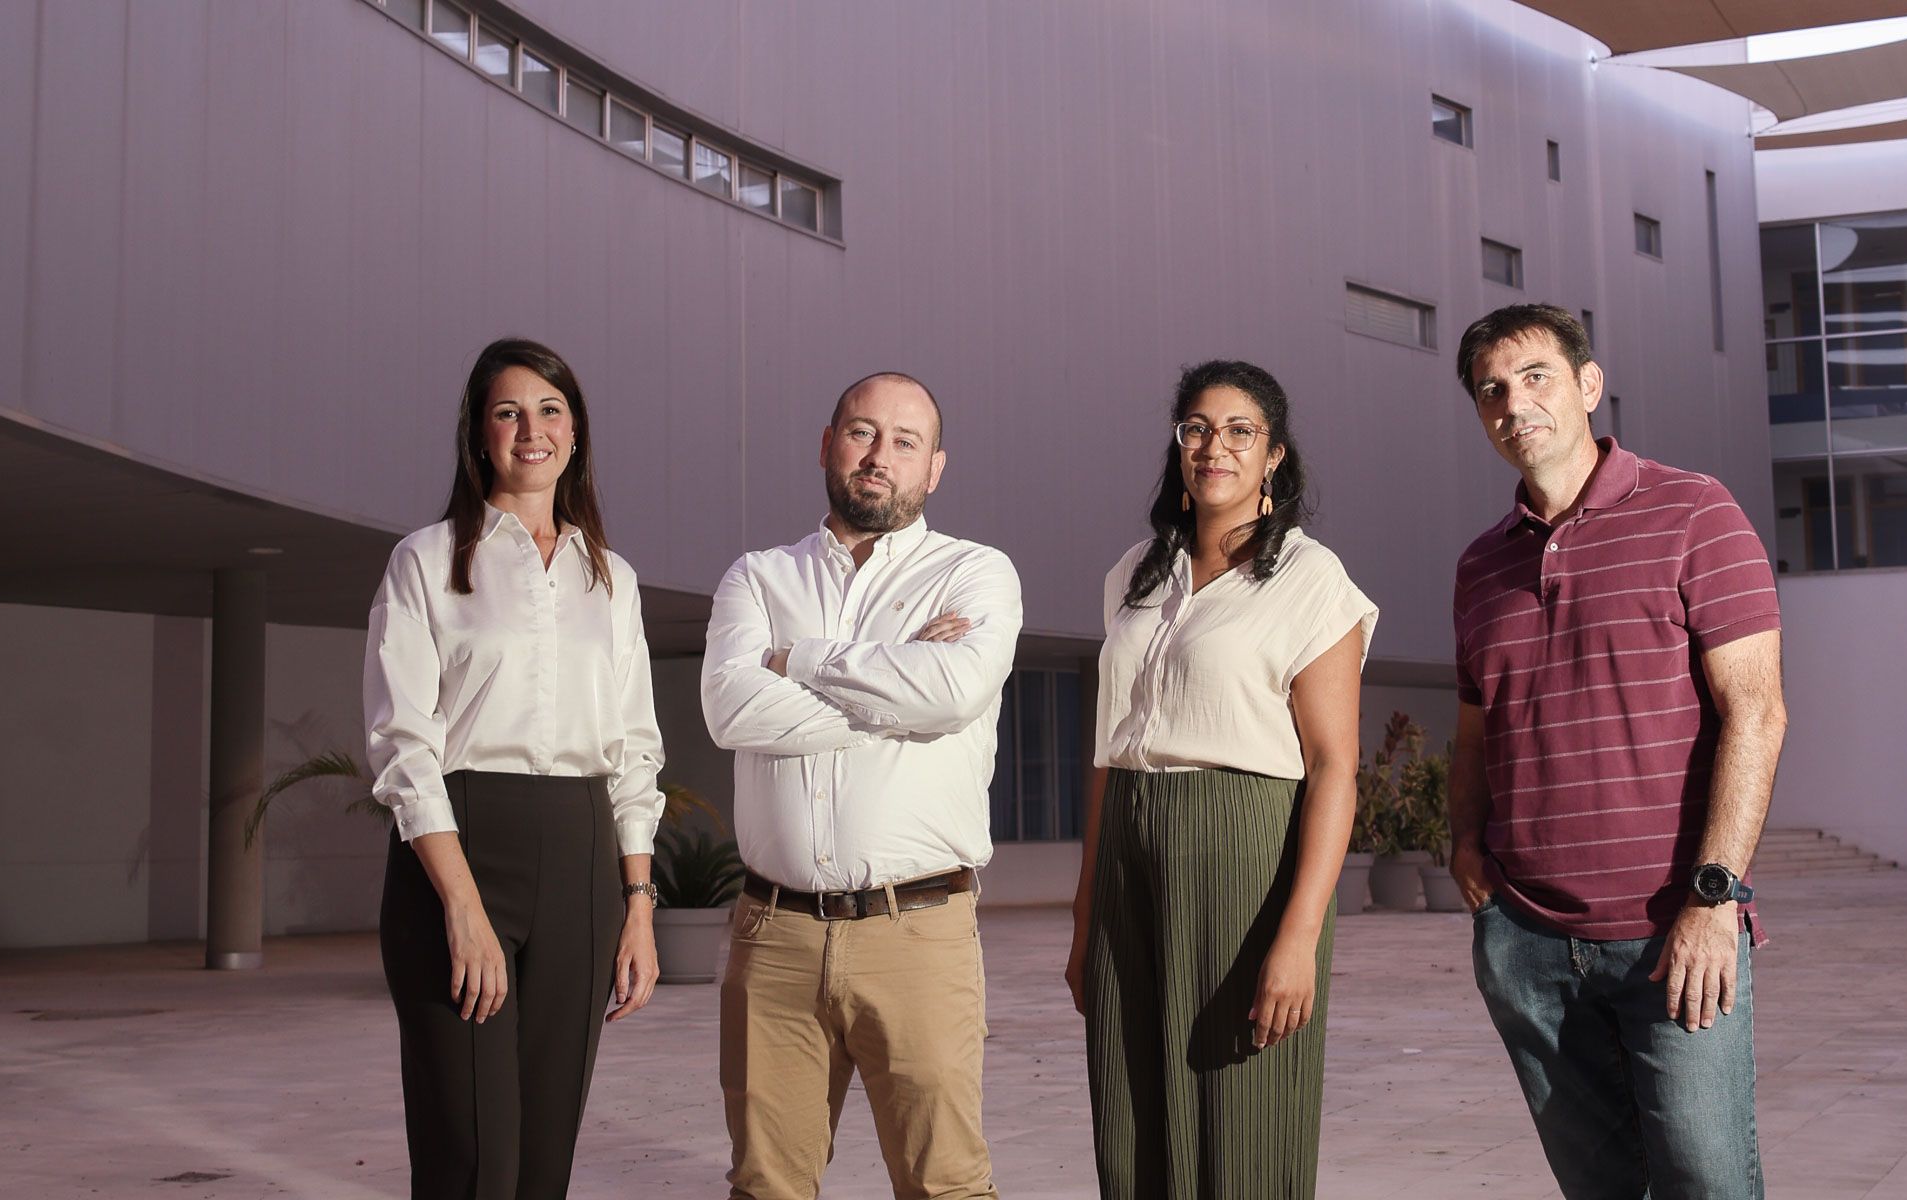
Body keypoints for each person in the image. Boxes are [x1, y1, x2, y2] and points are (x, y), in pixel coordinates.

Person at [1447, 304, 1788, 1199]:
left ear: (1588, 387)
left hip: (1676, 935)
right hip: (1526, 943)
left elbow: (1756, 713)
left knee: (1706, 1183)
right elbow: (1476, 727)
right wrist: (1463, 849)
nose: (1512, 404)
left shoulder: (1693, 511)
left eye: (1534, 378)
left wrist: (1715, 897)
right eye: (1490, 390)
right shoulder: (1480, 565)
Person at [699, 371, 1021, 1200]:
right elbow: (731, 711)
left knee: (944, 1184)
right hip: (773, 937)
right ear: (826, 445)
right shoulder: (757, 576)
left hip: (915, 931)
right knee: (765, 1186)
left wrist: (796, 659)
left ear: (934, 468)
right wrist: (898, 691)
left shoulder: (975, 574)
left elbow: (952, 695)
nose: (879, 455)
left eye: (903, 441)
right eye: (860, 432)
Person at [1065, 359, 1376, 1199]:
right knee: (1131, 1113)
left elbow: (1334, 767)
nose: (1215, 447)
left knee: (1237, 1113)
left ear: (1274, 454)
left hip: (1242, 848)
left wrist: (1298, 939)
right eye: (1197, 428)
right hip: (1129, 839)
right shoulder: (1134, 572)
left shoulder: (1311, 580)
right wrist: (1085, 911)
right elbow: (1106, 753)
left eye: (1240, 431)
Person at [365, 337, 667, 1200]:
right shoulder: (426, 560)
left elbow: (633, 748)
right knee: (472, 1163)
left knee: (542, 1166)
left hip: (580, 856)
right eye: (508, 412)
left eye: (550, 410)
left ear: (575, 432)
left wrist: (638, 906)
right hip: (459, 853)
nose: (530, 430)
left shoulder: (612, 579)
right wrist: (461, 907)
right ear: (478, 434)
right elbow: (402, 743)